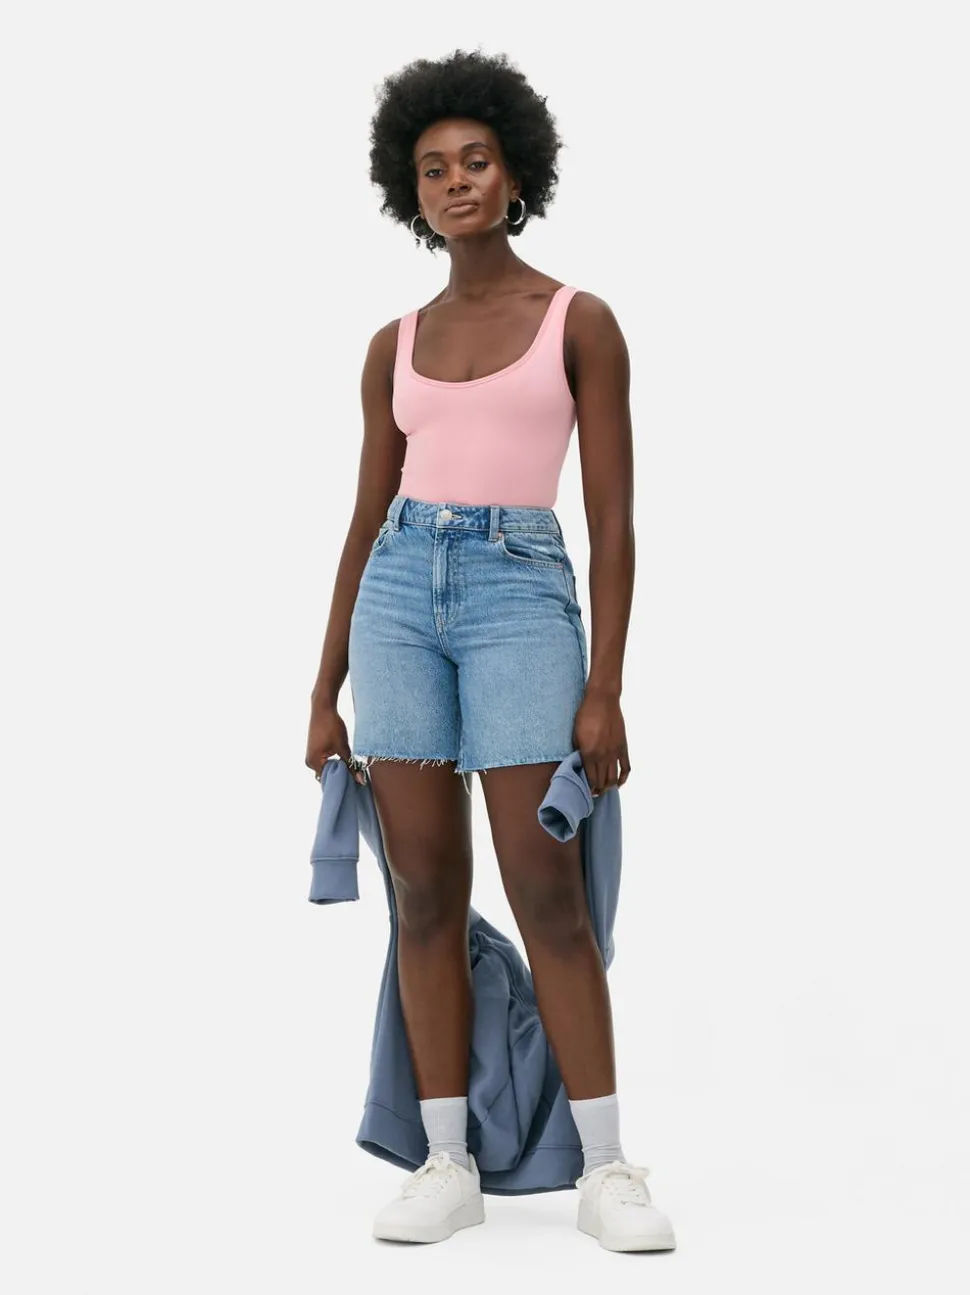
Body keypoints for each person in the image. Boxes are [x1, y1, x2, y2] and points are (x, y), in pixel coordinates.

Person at [305, 48, 676, 1254]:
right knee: (420, 888)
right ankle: (446, 1158)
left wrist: (605, 687)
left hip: (521, 591)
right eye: (433, 168)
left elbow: (614, 518)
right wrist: (322, 686)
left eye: (475, 161)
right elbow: (365, 516)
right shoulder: (394, 342)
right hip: (398, 596)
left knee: (545, 888)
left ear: (516, 177)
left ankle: (605, 1166)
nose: (456, 180)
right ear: (409, 192)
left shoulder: (579, 321)